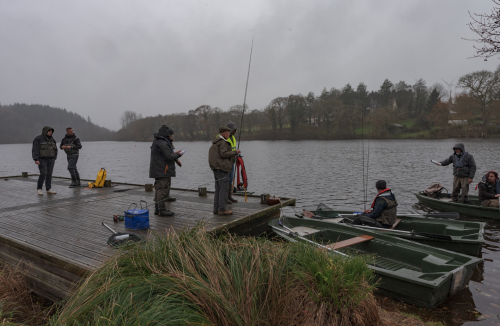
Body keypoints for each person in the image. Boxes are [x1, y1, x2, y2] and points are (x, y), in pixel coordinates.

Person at [149, 125, 183, 217]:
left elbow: (166, 154)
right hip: (162, 169)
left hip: (159, 169)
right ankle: (162, 210)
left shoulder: (158, 141)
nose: (172, 136)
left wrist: (176, 155)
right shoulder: (163, 143)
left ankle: (157, 209)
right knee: (162, 189)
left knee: (159, 189)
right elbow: (169, 156)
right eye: (171, 134)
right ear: (167, 134)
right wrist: (179, 155)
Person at [209, 126, 241, 215]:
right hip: (222, 169)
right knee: (224, 189)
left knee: (218, 189)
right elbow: (223, 154)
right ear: (223, 133)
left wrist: (231, 155)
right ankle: (222, 209)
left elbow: (220, 155)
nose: (229, 134)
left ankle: (216, 209)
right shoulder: (223, 142)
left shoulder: (216, 142)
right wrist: (235, 152)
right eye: (227, 132)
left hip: (216, 168)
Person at [32, 126, 58, 195]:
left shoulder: (52, 140)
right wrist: (36, 159)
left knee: (49, 174)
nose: (50, 133)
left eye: (51, 131)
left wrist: (54, 157)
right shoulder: (38, 139)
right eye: (49, 131)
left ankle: (48, 189)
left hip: (51, 159)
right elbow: (35, 149)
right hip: (42, 159)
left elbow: (55, 149)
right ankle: (39, 188)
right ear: (45, 131)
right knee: (43, 173)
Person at [226, 121, 239, 204]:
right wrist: (233, 154)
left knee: (231, 180)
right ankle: (225, 197)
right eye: (233, 130)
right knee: (226, 180)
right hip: (226, 162)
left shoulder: (233, 138)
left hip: (232, 162)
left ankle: (229, 196)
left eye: (235, 130)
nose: (234, 132)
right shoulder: (224, 137)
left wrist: (236, 155)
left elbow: (233, 149)